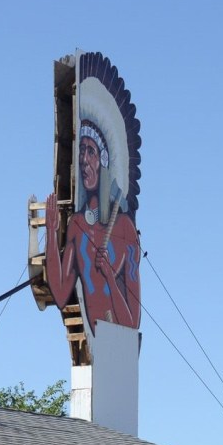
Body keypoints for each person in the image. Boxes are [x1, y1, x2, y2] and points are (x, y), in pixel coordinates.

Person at [45, 118, 140, 330]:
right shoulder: (77, 224)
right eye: (81, 151)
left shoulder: (124, 228)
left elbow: (131, 323)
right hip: (92, 340)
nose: (83, 159)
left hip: (116, 345)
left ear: (102, 162)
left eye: (91, 151)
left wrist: (110, 278)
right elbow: (60, 295)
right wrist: (51, 233)